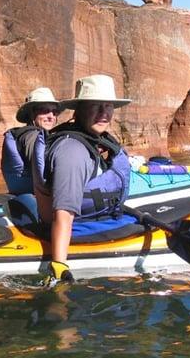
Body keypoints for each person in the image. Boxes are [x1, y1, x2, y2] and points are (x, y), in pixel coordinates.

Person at [32, 74, 132, 283]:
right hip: (80, 228)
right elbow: (64, 213)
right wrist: (59, 265)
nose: (104, 113)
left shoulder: (95, 139)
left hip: (103, 217)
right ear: (79, 110)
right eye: (95, 106)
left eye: (108, 106)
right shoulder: (72, 151)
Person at [1, 87, 62, 195]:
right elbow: (42, 165)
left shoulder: (25, 134)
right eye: (45, 110)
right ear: (31, 114)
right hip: (39, 200)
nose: (51, 116)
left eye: (54, 112)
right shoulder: (32, 136)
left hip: (24, 196)